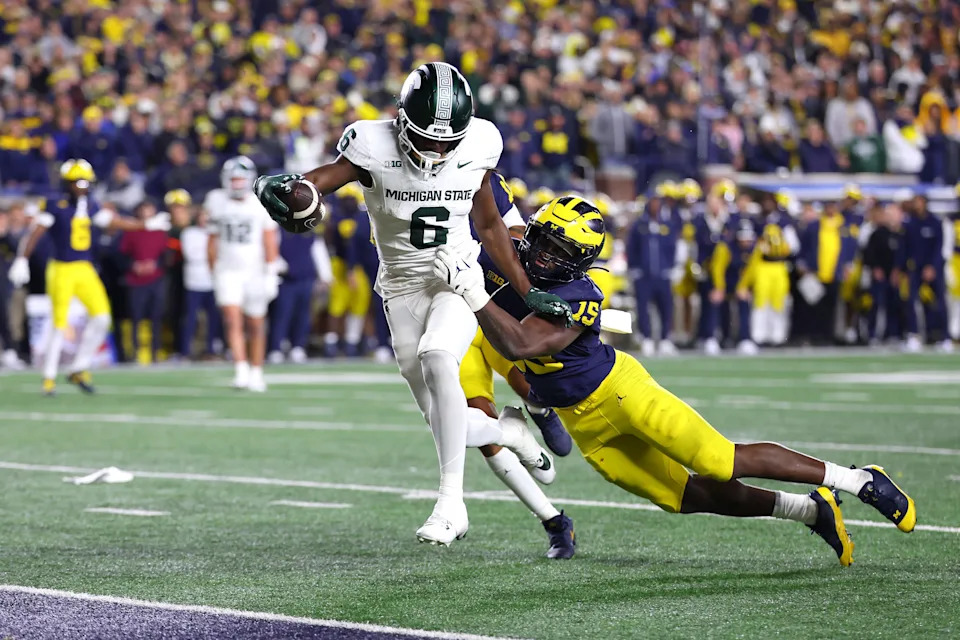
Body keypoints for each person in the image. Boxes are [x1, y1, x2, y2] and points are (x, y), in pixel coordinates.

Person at [433, 195, 918, 567]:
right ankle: (812, 511)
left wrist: (472, 290)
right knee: (683, 497)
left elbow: (519, 344)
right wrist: (477, 168)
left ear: (580, 261)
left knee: (719, 461)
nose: (543, 257)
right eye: (542, 241)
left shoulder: (583, 292)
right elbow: (491, 221)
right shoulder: (513, 255)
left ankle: (855, 479)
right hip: (584, 425)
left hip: (621, 394)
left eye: (560, 252)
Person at [253, 62, 571, 546]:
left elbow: (489, 226)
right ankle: (508, 433)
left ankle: (451, 504)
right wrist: (288, 190)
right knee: (448, 427)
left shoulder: (480, 143)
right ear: (401, 119)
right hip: (400, 288)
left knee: (439, 356)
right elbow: (318, 182)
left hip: (457, 276)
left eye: (449, 141)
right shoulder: (371, 144)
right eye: (429, 138)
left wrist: (527, 290)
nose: (439, 150)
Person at [458, 170, 576, 559]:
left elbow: (515, 234)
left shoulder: (476, 170)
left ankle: (539, 406)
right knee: (477, 428)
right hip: (446, 320)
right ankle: (553, 520)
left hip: (491, 308)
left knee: (526, 376)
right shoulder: (396, 181)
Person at [7, 159, 170, 395]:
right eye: (78, 182)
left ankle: (78, 367)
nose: (82, 187)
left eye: (85, 182)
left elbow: (115, 222)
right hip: (62, 268)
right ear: (68, 183)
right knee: (59, 324)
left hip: (84, 268)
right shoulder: (56, 204)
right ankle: (49, 376)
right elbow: (35, 233)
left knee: (103, 318)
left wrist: (144, 225)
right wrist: (22, 258)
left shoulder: (91, 205)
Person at [206, 156, 282, 392]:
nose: (237, 183)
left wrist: (271, 272)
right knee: (231, 319)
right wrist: (213, 270)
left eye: (240, 178)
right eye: (234, 178)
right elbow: (212, 239)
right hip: (227, 270)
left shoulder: (261, 202)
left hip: (255, 271)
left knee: (256, 324)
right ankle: (241, 370)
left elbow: (269, 240)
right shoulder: (215, 200)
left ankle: (257, 371)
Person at [119, 200, 170, 363]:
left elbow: (167, 255)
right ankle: (134, 351)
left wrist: (155, 264)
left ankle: (156, 351)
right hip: (136, 281)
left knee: (156, 316)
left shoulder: (161, 230)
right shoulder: (131, 230)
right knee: (136, 316)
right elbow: (121, 254)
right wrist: (134, 265)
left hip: (156, 279)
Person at [179, 206, 222, 359]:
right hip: (194, 282)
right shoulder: (189, 233)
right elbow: (192, 255)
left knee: (213, 318)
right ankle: (185, 350)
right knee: (190, 317)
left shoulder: (217, 234)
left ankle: (210, 349)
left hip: (213, 282)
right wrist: (211, 255)